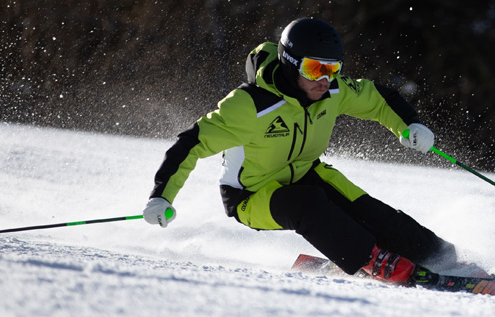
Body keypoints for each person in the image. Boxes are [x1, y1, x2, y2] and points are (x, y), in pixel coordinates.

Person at [143, 17, 464, 285]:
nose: (324, 79)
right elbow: (191, 144)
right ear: (291, 63)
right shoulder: (250, 105)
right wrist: (162, 196)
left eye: (332, 68)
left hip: (307, 173)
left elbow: (377, 99)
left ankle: (441, 257)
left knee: (372, 213)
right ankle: (374, 260)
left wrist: (410, 125)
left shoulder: (331, 91)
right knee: (307, 205)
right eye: (314, 69)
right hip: (252, 195)